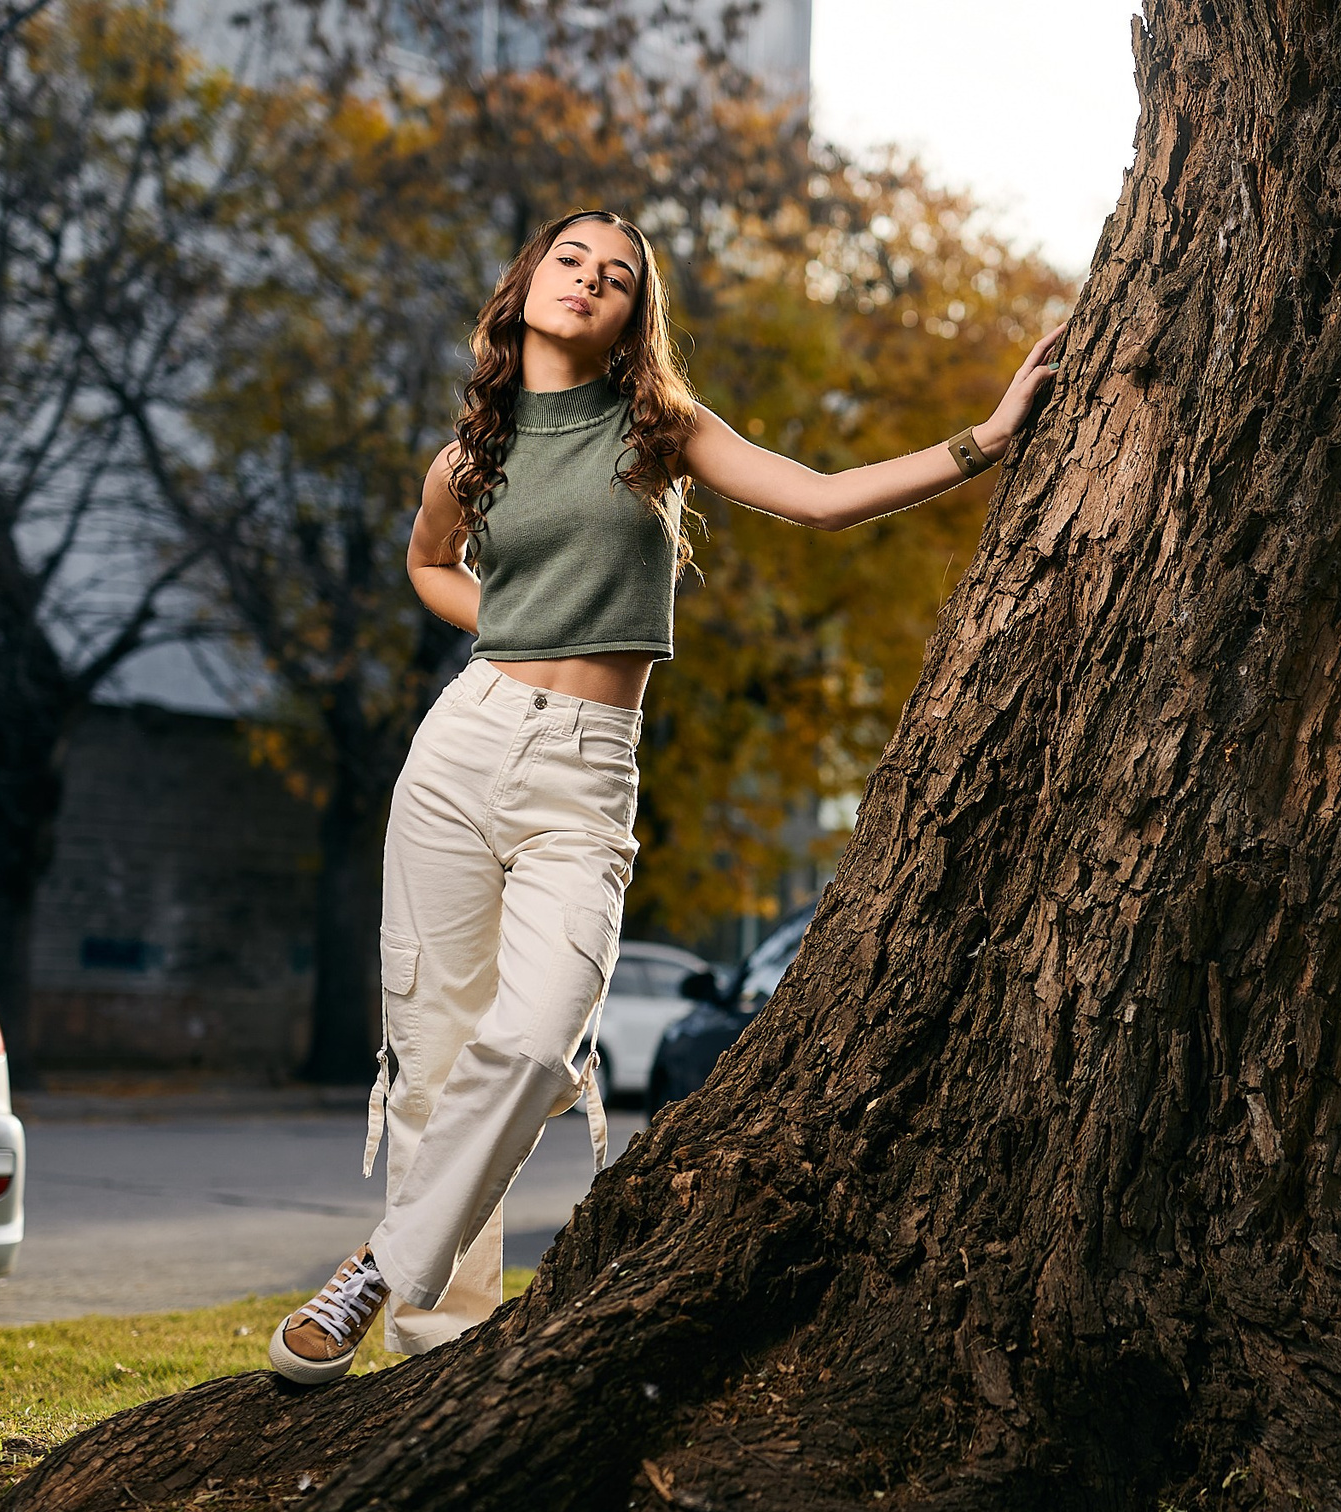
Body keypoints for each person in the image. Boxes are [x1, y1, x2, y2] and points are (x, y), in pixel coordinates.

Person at [268, 209, 1064, 1384]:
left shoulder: (660, 429)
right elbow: (426, 561)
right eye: (570, 260)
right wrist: (503, 623)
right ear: (526, 282)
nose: (588, 282)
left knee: (538, 1040)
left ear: (637, 316)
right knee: (436, 1046)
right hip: (461, 747)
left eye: (618, 277)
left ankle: (381, 1263)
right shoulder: (467, 457)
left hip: (586, 767)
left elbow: (820, 496)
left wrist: (985, 439)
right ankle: (438, 1335)